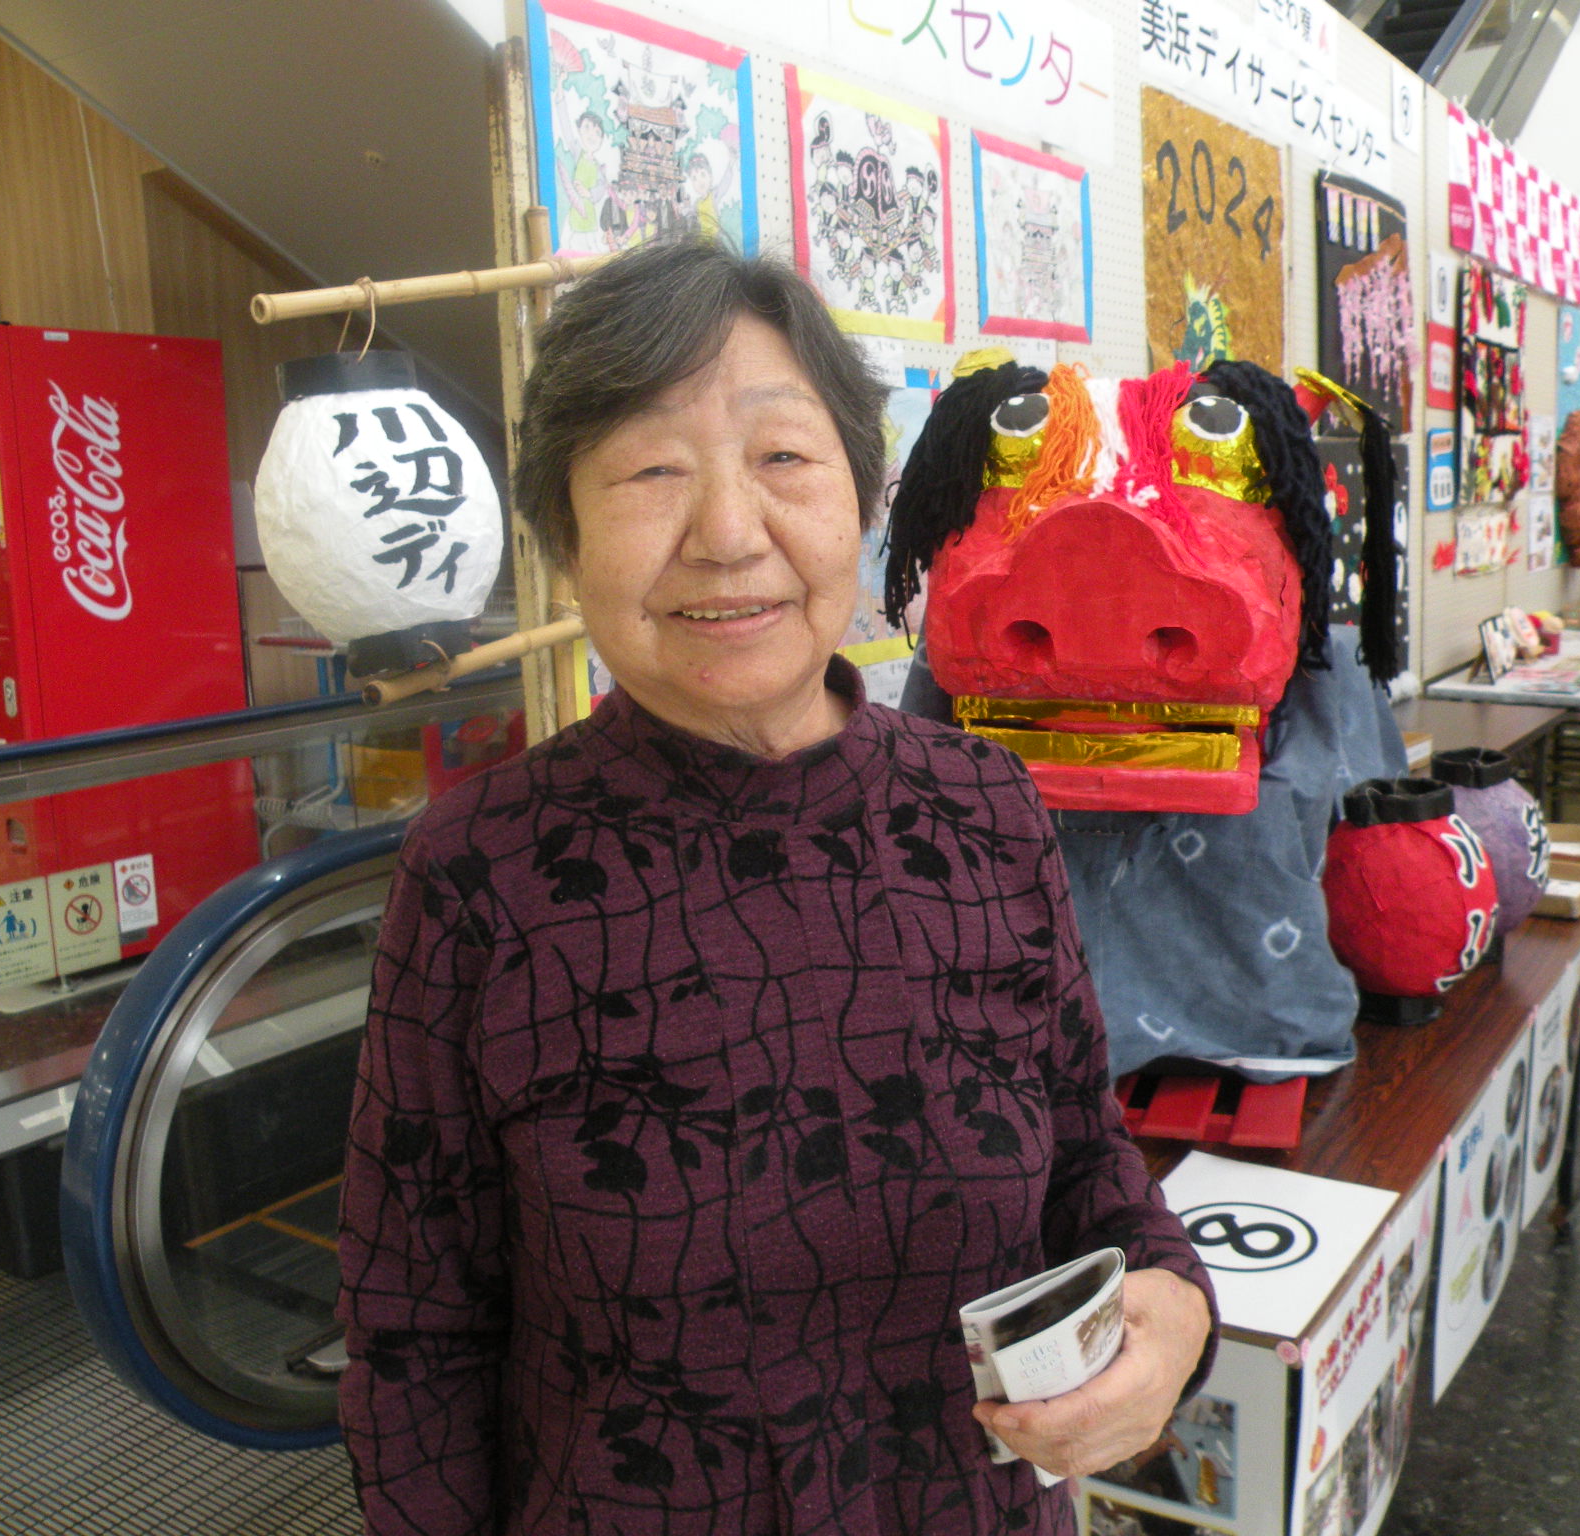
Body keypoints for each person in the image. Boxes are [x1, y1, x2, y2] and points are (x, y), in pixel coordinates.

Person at [334, 239, 1218, 1536]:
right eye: (650, 471)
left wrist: (1177, 1306)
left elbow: (1086, 1158)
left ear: (861, 505)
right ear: (563, 537)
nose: (728, 534)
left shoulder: (981, 809)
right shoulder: (482, 872)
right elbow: (412, 1336)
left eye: (783, 458)